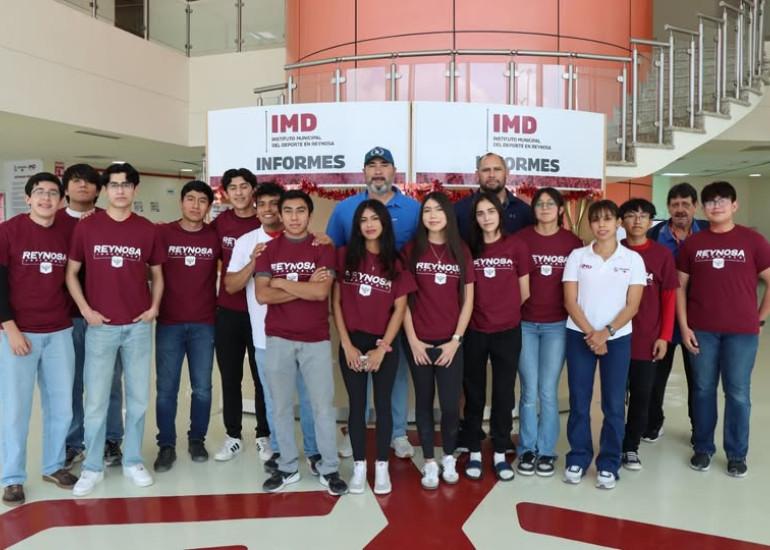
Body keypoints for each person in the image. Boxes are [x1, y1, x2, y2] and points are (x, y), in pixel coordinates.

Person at [67, 162, 165, 496]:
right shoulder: (87, 227)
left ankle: (133, 461)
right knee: (95, 401)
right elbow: (71, 273)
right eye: (114, 184)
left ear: (135, 189)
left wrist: (154, 308)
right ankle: (92, 467)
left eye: (126, 184)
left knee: (137, 398)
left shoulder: (147, 229)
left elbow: (158, 274)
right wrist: (85, 310)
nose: (120, 190)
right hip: (101, 328)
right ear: (105, 190)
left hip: (138, 327)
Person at [326, 146, 420, 459]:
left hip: (397, 306)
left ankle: (396, 432)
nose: (378, 171)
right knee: (356, 374)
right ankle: (356, 431)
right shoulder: (345, 209)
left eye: (384, 165)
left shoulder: (414, 209)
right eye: (372, 165)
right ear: (364, 172)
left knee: (395, 371)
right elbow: (334, 255)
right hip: (358, 307)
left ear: (394, 170)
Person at [255, 190, 348, 496]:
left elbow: (321, 293)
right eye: (288, 211)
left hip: (315, 339)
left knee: (322, 407)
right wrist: (304, 286)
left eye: (300, 211)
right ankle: (287, 466)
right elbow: (262, 295)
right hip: (278, 338)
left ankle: (329, 468)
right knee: (281, 406)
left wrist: (282, 282)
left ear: (309, 214)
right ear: (280, 215)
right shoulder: (267, 250)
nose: (294, 217)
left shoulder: (322, 248)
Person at [676, 181, 770, 477]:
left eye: (722, 200)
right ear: (703, 208)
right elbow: (679, 288)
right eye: (710, 202)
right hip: (702, 331)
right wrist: (684, 326)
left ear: (734, 205)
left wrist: (760, 318)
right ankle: (703, 448)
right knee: (703, 390)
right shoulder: (693, 243)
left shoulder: (753, 241)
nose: (716, 206)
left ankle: (736, 454)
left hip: (741, 333)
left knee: (738, 393)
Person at [225, 182, 319, 473]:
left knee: (310, 399)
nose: (267, 209)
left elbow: (320, 290)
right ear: (255, 208)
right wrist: (254, 263)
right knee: (274, 400)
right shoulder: (247, 242)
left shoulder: (313, 242)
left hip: (307, 335)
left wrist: (286, 287)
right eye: (261, 204)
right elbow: (231, 286)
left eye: (274, 204)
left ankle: (314, 452)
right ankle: (280, 452)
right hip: (265, 337)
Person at [0, 173, 77, 507]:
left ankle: (54, 465)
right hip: (19, 333)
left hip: (59, 331)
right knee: (15, 409)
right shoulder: (8, 231)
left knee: (61, 406)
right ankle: (12, 478)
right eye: (40, 192)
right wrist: (10, 327)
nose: (46, 198)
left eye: (53, 193)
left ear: (61, 200)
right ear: (28, 198)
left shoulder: (67, 233)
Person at [562, 200, 645, 490]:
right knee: (579, 400)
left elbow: (633, 305)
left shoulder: (632, 260)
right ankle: (578, 456)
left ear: (618, 222)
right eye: (596, 219)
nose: (602, 225)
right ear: (590, 224)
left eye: (608, 219)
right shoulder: (577, 256)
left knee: (613, 403)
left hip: (617, 339)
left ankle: (609, 462)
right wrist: (592, 334)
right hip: (579, 335)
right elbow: (570, 301)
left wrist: (606, 333)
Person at [332, 200, 414, 495]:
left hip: (383, 344)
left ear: (384, 223)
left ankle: (381, 468)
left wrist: (383, 348)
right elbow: (336, 303)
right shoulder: (345, 256)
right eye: (364, 219)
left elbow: (400, 308)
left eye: (375, 218)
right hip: (352, 342)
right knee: (357, 406)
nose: (369, 224)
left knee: (383, 405)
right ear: (357, 225)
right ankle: (358, 468)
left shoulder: (396, 261)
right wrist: (346, 344)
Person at [403, 192, 475, 490]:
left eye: (438, 210)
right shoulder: (411, 250)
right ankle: (430, 461)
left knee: (449, 405)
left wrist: (456, 340)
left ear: (448, 215)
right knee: (423, 402)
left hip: (450, 342)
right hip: (419, 341)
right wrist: (413, 340)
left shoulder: (461, 249)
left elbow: (468, 299)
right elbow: (403, 300)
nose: (432, 215)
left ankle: (448, 456)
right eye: (427, 210)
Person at [58, 164, 125, 471]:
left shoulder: (109, 218)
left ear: (99, 189)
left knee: (109, 382)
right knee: (72, 383)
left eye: (89, 182)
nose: (83, 185)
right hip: (67, 316)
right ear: (66, 188)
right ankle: (74, 442)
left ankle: (111, 440)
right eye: (76, 181)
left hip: (107, 317)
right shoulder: (54, 220)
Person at [463, 192, 530, 482]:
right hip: (475, 330)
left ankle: (500, 450)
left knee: (503, 393)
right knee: (474, 393)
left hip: (507, 331)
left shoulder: (517, 246)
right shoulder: (469, 248)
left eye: (491, 211)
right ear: (475, 219)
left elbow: (524, 291)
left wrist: (504, 312)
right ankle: (475, 450)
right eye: (480, 213)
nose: (486, 217)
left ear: (500, 214)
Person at [153, 181, 220, 472]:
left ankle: (197, 440)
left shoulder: (215, 236)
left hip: (204, 323)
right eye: (190, 199)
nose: (195, 205)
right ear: (181, 202)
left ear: (209, 206)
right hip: (169, 322)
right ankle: (166, 444)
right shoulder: (162, 233)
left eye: (202, 200)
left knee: (202, 388)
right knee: (166, 389)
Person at [515, 188, 582, 477]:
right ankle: (527, 449)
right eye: (539, 204)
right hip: (525, 325)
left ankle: (546, 451)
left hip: (557, 325)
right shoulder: (521, 239)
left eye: (550, 204)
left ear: (560, 209)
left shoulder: (572, 243)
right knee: (529, 390)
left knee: (547, 390)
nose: (544, 208)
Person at [211, 168, 270, 462]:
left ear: (253, 190)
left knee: (263, 378)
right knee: (230, 377)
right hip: (228, 312)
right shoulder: (220, 224)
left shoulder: (266, 220)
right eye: (232, 187)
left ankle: (264, 435)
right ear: (225, 193)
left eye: (244, 186)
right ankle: (233, 435)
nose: (238, 192)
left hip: (261, 313)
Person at [644, 182, 709, 443]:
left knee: (700, 381)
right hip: (662, 319)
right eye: (675, 204)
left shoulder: (709, 233)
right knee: (654, 378)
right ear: (668, 207)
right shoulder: (654, 235)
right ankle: (653, 423)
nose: (680, 209)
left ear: (695, 206)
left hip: (700, 319)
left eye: (685, 204)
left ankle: (699, 429)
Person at [618, 198, 677, 471]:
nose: (637, 220)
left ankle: (631, 447)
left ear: (651, 221)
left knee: (642, 395)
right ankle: (613, 443)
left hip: (648, 338)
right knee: (615, 397)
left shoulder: (662, 255)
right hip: (616, 338)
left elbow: (669, 298)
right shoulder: (613, 251)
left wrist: (664, 336)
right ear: (622, 221)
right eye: (631, 215)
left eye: (643, 216)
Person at [454, 152, 534, 243]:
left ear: (507, 173)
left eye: (497, 169)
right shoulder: (459, 210)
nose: (492, 175)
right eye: (486, 170)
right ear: (477, 175)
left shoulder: (525, 212)